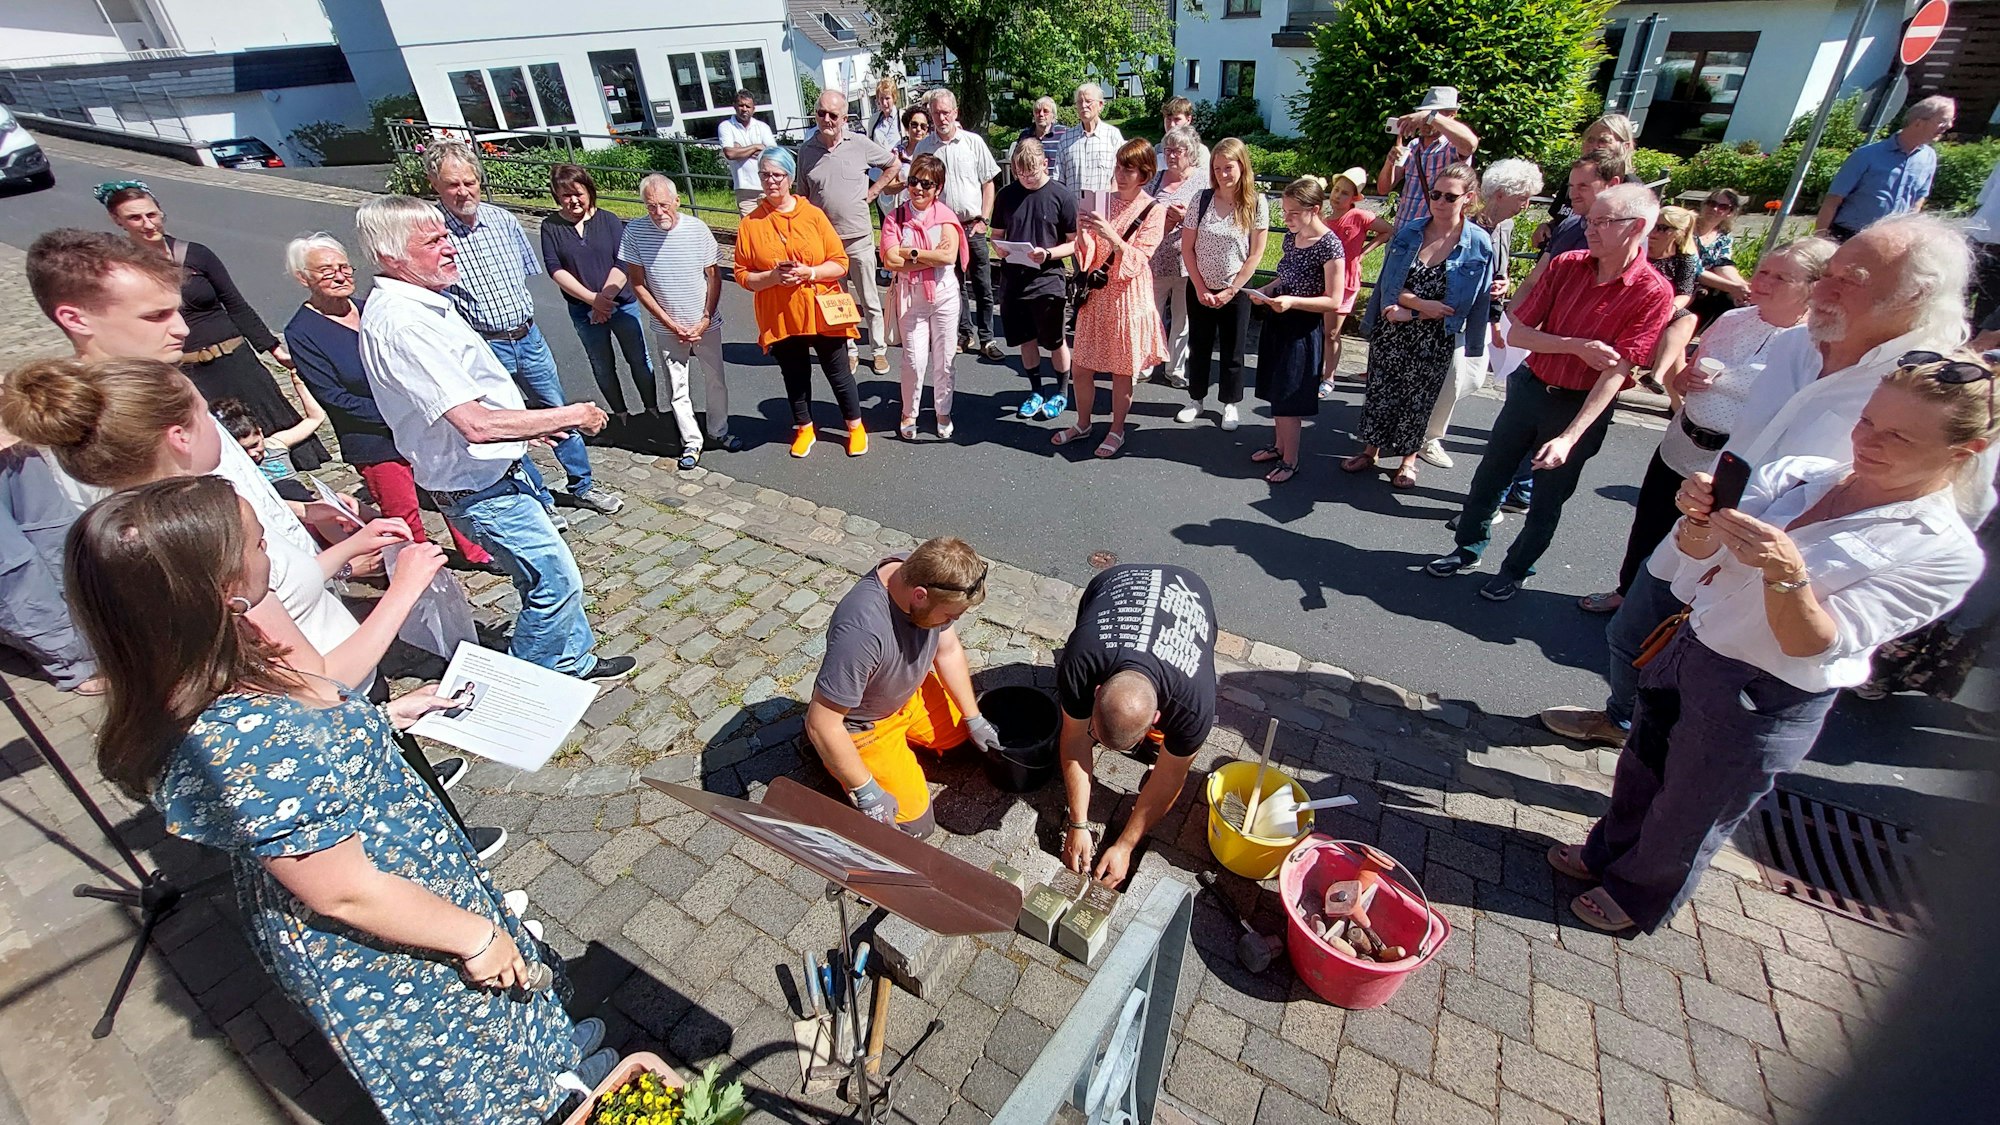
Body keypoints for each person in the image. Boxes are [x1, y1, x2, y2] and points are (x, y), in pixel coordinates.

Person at [64, 476, 614, 1121]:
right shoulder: (245, 739)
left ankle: (552, 1065)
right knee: (471, 1049)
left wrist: (383, 719)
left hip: (406, 879)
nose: (270, 548)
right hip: (384, 924)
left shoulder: (216, 660)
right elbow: (343, 891)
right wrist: (475, 936)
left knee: (503, 1010)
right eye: (258, 542)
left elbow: (316, 725)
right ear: (224, 592)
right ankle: (541, 1105)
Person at [1549, 356, 1993, 933]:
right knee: (1643, 764)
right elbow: (1697, 558)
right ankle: (1608, 853)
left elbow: (1814, 643)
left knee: (1694, 805)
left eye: (1900, 437)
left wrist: (1787, 573)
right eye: (1868, 421)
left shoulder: (1944, 553)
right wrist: (1698, 518)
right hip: (1692, 642)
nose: (1869, 442)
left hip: (1764, 688)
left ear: (1965, 453)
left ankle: (1638, 894)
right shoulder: (1806, 472)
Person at [1541, 214, 1985, 747]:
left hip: (1780, 587)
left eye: (1853, 279)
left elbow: (1954, 510)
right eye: (1829, 273)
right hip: (1698, 538)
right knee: (1630, 637)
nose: (1825, 288)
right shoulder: (1796, 344)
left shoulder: (1936, 386)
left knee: (1707, 721)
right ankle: (1624, 726)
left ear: (1916, 294)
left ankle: (1662, 768)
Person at [354, 194, 634, 683]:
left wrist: (528, 431)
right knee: (552, 578)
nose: (450, 247)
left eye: (446, 236)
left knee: (549, 573)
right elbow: (475, 423)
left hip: (493, 471)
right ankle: (532, 679)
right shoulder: (404, 323)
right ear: (392, 257)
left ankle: (573, 659)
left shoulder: (422, 303)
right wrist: (562, 415)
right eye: (434, 240)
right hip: (479, 486)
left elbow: (474, 402)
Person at [1427, 184, 1675, 602]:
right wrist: (1575, 346)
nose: (1589, 229)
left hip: (1578, 405)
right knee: (1490, 475)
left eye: (1601, 222)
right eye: (1589, 219)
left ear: (1636, 228)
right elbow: (1519, 332)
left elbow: (1616, 372)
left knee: (1548, 497)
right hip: (1531, 388)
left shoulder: (1653, 292)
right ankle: (1466, 550)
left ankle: (1516, 569)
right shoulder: (1566, 264)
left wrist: (1569, 436)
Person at [1577, 238, 1836, 617]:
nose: (1763, 280)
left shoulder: (1813, 347)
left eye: (1780, 277)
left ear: (1812, 289)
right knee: (1649, 526)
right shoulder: (1732, 320)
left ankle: (1677, 616)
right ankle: (1627, 593)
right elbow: (1684, 375)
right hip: (1681, 444)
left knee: (1701, 541)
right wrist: (1681, 381)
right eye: (1763, 270)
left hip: (1730, 463)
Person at [424, 142, 622, 518]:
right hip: (482, 348)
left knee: (557, 412)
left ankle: (583, 486)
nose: (464, 191)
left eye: (470, 181)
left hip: (528, 337)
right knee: (510, 425)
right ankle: (539, 502)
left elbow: (524, 277)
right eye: (453, 184)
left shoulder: (502, 221)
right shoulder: (432, 234)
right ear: (434, 183)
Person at [282, 232, 495, 569]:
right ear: (303, 278)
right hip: (373, 436)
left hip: (419, 421)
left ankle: (478, 551)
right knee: (403, 510)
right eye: (326, 271)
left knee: (450, 488)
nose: (339, 275)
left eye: (344, 267)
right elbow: (332, 396)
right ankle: (420, 568)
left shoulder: (372, 309)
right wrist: (396, 413)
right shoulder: (302, 331)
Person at [95, 180, 329, 471]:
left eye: (151, 214)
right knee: (218, 439)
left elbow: (235, 303)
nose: (146, 224)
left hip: (234, 357)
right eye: (135, 217)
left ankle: (296, 488)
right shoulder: (123, 271)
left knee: (270, 424)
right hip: (189, 368)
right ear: (117, 221)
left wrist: (272, 348)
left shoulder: (196, 254)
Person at [804, 537, 1002, 838]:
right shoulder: (861, 632)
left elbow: (946, 651)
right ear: (920, 596)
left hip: (910, 693)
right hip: (865, 724)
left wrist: (973, 717)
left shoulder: (924, 572)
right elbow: (821, 721)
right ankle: (832, 760)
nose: (953, 621)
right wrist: (866, 790)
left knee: (968, 745)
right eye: (949, 616)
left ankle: (904, 746)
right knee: (913, 825)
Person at [1057, 563, 1218, 887]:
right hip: (1116, 582)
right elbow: (1074, 738)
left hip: (1191, 589)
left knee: (1167, 755)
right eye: (1096, 734)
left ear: (1156, 718)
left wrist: (1126, 845)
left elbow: (1171, 775)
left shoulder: (1194, 706)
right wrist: (1077, 824)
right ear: (1097, 690)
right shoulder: (1079, 661)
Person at [1348, 163, 1494, 488]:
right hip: (1394, 326)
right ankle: (1370, 450)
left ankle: (1408, 460)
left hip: (1435, 336)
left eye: (1450, 196)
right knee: (1381, 391)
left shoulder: (1478, 244)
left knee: (1419, 399)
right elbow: (1389, 282)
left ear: (1468, 199)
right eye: (1435, 194)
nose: (1440, 201)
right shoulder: (1410, 231)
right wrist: (1415, 305)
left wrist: (1471, 341)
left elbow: (1469, 302)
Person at [734, 148, 868, 458]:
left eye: (777, 175)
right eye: (765, 175)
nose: (771, 181)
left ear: (790, 178)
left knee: (838, 372)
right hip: (781, 312)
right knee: (794, 374)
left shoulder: (813, 215)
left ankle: (855, 426)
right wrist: (772, 277)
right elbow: (742, 274)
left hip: (821, 309)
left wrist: (809, 272)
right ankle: (804, 428)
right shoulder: (751, 223)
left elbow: (840, 263)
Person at [1418, 157, 1541, 467]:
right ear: (1500, 194)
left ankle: (1423, 423)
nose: (1525, 205)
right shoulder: (1469, 226)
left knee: (1471, 378)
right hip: (1453, 314)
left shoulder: (1506, 226)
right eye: (1522, 197)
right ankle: (1427, 437)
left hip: (1483, 313)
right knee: (1458, 376)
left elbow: (1499, 266)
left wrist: (1502, 284)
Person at [1050, 139, 1167, 460]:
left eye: (1128, 169)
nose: (1120, 174)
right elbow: (1086, 257)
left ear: (1144, 174)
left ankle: (1117, 429)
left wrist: (1111, 236)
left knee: (1121, 370)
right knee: (1082, 366)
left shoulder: (1155, 210)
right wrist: (1085, 233)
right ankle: (1083, 423)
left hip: (1128, 299)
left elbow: (1139, 260)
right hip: (1097, 296)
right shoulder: (1101, 201)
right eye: (1118, 166)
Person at [540, 164, 661, 450]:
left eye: (577, 194)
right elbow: (555, 269)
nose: (573, 201)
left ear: (589, 192)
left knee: (639, 360)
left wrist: (604, 299)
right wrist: (592, 301)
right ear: (557, 196)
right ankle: (620, 414)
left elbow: (623, 262)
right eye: (565, 195)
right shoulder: (551, 227)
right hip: (584, 310)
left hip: (621, 304)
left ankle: (653, 409)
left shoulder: (609, 221)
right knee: (602, 365)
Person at [621, 175, 732, 470]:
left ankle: (718, 431)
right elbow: (638, 283)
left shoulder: (696, 229)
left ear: (677, 202)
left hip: (704, 323)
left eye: (663, 205)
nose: (658, 213)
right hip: (668, 327)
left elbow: (714, 276)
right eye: (651, 206)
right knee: (677, 387)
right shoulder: (635, 232)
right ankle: (691, 441)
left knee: (715, 379)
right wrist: (668, 322)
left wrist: (706, 317)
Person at [1248, 177, 1349, 485]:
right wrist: (1265, 290)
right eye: (1285, 211)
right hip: (1280, 321)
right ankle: (1279, 446)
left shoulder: (1330, 245)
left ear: (1314, 210)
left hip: (1302, 329)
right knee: (1277, 389)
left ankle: (1291, 460)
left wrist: (1292, 301)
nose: (1286, 218)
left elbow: (1333, 300)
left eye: (1293, 212)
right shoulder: (1292, 237)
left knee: (1290, 396)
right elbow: (1284, 276)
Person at [799, 88, 900, 376]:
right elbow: (802, 196)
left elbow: (893, 164)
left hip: (858, 238)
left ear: (844, 118)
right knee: (839, 302)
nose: (826, 119)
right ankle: (851, 350)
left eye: (833, 114)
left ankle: (878, 350)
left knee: (869, 298)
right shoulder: (807, 151)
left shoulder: (859, 144)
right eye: (821, 113)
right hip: (826, 245)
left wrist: (873, 192)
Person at [1176, 138, 1269, 433]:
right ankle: (1196, 399)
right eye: (1217, 168)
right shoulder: (1201, 200)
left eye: (1228, 167)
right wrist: (1200, 286)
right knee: (1199, 345)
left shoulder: (1255, 203)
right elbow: (1187, 248)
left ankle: (1230, 402)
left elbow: (1256, 253)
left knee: (1234, 349)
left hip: (1236, 289)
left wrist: (1232, 290)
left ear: (1242, 166)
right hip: (1200, 285)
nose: (1222, 174)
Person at [881, 154, 967, 440]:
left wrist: (911, 253)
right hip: (910, 298)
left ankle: (943, 410)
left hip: (943, 297)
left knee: (944, 360)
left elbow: (949, 256)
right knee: (914, 361)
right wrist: (928, 258)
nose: (918, 188)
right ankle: (910, 411)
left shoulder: (945, 216)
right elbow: (890, 260)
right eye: (914, 181)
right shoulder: (897, 217)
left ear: (938, 188)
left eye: (926, 184)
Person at [914, 90, 1004, 360]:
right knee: (954, 285)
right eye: (936, 113)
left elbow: (989, 183)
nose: (941, 118)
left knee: (982, 285)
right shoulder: (924, 148)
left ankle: (987, 338)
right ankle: (965, 333)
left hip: (972, 226)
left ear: (955, 112)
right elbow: (917, 187)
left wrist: (984, 220)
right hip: (942, 229)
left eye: (945, 112)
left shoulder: (972, 142)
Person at [994, 138, 1080, 420]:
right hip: (1013, 280)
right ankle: (1035, 391)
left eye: (1032, 174)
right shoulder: (1006, 195)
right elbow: (996, 235)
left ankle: (1062, 392)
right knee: (1025, 340)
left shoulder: (1062, 196)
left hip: (1048, 280)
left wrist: (1049, 253)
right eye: (1021, 174)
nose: (1027, 179)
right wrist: (1000, 247)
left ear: (1046, 164)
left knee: (1055, 341)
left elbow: (1074, 242)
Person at [1817, 96, 1955, 241]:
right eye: (1943, 121)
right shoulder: (1866, 155)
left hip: (1891, 240)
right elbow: (1833, 200)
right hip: (1850, 236)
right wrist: (1820, 238)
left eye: (1951, 120)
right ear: (1918, 122)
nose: (1949, 126)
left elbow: (1919, 197)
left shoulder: (1928, 157)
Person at [1147, 126, 1207, 394]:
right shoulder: (1155, 179)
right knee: (1151, 314)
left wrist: (1187, 219)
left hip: (1188, 261)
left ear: (1190, 153)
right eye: (1167, 150)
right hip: (1155, 258)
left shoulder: (1203, 181)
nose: (1171, 155)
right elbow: (1142, 213)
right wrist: (1161, 217)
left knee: (1183, 318)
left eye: (1177, 150)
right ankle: (1147, 363)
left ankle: (1176, 368)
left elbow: (1211, 219)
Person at [1313, 167, 1379, 399]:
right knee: (1319, 329)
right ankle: (1317, 370)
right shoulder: (1323, 217)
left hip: (1346, 281)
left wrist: (1364, 252)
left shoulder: (1359, 216)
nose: (1337, 196)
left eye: (1344, 193)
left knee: (1332, 331)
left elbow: (1387, 230)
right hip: (1321, 277)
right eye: (1336, 190)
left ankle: (1329, 376)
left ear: (1354, 198)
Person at [1375, 87, 1479, 226]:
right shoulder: (1413, 145)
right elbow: (1383, 189)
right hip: (1403, 231)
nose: (1425, 121)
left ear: (1452, 115)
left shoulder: (1452, 147)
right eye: (1423, 115)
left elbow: (1470, 145)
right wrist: (1390, 162)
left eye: (1432, 115)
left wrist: (1431, 116)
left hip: (1433, 236)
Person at [1533, 114, 1637, 247]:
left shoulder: (1630, 187)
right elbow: (1561, 217)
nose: (1594, 146)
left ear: (1625, 146)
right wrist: (1546, 227)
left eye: (1604, 141)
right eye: (1590, 140)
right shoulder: (1574, 176)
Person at [1641, 204, 1701, 399]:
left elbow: (1685, 292)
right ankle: (1676, 404)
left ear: (1678, 233)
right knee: (1677, 348)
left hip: (1664, 308)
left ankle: (1657, 377)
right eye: (1653, 226)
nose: (1654, 232)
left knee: (1686, 320)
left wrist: (1670, 308)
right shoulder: (1639, 249)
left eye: (1663, 228)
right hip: (1634, 305)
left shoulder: (1685, 258)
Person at [211, 395, 318, 502]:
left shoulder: (275, 444)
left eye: (254, 445)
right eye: (242, 450)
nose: (252, 453)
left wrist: (300, 384)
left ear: (260, 433)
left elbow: (315, 418)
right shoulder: (230, 465)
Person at [1687, 188, 1751, 327]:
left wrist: (1743, 287)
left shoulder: (1723, 236)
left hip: (1702, 289)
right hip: (1681, 280)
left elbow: (1723, 265)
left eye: (1722, 207)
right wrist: (1732, 287)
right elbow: (1693, 268)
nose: (1715, 209)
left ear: (1730, 212)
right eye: (1711, 203)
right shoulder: (1687, 226)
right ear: (1704, 204)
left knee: (1731, 301)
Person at [1057, 82, 1126, 195]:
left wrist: (1111, 203)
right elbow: (1059, 179)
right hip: (1074, 209)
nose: (1084, 105)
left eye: (1088, 101)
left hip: (1104, 208)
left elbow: (1120, 174)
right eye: (1080, 102)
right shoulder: (1066, 139)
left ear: (1100, 105)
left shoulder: (1113, 136)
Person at [719, 89, 778, 217]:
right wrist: (757, 147)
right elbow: (730, 153)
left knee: (773, 224)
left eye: (748, 106)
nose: (744, 109)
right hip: (744, 189)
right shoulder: (726, 126)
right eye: (741, 105)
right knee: (750, 228)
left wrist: (740, 150)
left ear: (753, 109)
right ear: (734, 106)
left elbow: (772, 155)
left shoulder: (762, 127)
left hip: (767, 185)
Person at [1012, 96, 1070, 179]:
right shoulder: (1025, 136)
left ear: (1053, 115)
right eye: (1037, 111)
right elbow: (1015, 162)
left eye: (1045, 111)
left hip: (1056, 187)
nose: (1041, 114)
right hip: (1030, 188)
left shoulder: (1064, 133)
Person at [1153, 97, 1211, 178]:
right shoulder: (1158, 149)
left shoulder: (1200, 152)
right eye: (1168, 119)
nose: (1172, 124)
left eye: (1177, 119)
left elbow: (1205, 180)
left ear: (1188, 119)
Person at [868, 77, 902, 154]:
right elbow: (870, 143)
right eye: (881, 98)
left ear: (894, 98)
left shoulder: (902, 117)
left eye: (887, 98)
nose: (884, 103)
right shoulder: (873, 120)